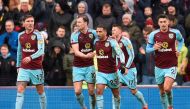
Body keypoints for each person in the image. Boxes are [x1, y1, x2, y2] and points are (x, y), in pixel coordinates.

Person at [146, 14, 184, 109]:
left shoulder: (175, 32)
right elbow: (147, 49)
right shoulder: (153, 34)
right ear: (158, 23)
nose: (163, 24)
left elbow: (181, 40)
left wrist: (178, 49)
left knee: (167, 88)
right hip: (158, 66)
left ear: (168, 22)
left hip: (171, 65)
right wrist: (153, 48)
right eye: (161, 22)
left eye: (164, 22)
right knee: (162, 91)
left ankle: (170, 105)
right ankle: (165, 107)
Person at [112, 24, 148, 109]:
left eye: (115, 30)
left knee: (133, 91)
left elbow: (131, 55)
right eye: (112, 30)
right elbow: (115, 56)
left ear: (120, 31)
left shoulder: (126, 41)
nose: (113, 31)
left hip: (129, 69)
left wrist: (126, 67)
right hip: (118, 70)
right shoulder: (112, 41)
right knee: (115, 91)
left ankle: (144, 104)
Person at [15, 15, 46, 109]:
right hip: (24, 68)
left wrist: (30, 57)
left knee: (40, 91)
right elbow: (19, 51)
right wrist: (18, 65)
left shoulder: (38, 35)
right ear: (23, 23)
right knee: (20, 90)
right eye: (28, 21)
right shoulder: (20, 35)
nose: (30, 23)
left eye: (32, 21)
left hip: (36, 68)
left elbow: (41, 50)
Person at [95, 24, 125, 109]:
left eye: (100, 31)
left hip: (112, 73)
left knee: (116, 94)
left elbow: (120, 53)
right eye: (97, 31)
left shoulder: (112, 41)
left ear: (105, 32)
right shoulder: (95, 41)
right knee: (99, 91)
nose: (98, 33)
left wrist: (122, 64)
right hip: (101, 73)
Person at [70, 15, 97, 109]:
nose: (77, 24)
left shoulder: (94, 33)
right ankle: (83, 107)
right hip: (78, 66)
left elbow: (100, 45)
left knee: (91, 91)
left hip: (90, 66)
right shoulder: (74, 34)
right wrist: (86, 56)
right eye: (77, 22)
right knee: (77, 91)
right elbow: (76, 52)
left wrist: (93, 52)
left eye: (79, 22)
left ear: (86, 23)